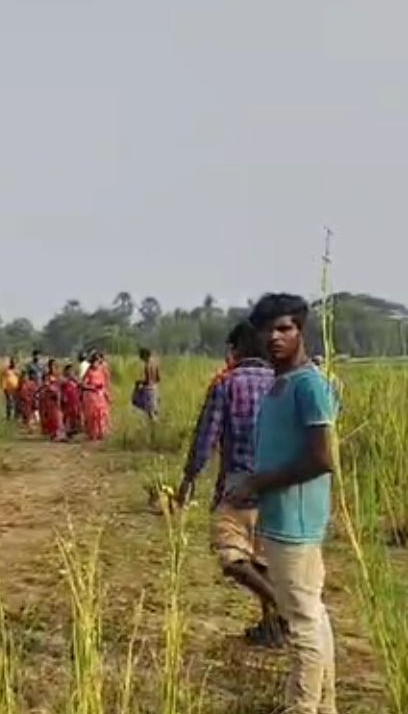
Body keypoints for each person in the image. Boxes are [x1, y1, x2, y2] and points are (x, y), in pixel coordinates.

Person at [225, 294, 337, 714]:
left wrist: (258, 481)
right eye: (266, 330)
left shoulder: (307, 384)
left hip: (296, 521)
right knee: (311, 614)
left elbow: (320, 458)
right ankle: (321, 706)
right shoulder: (281, 382)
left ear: (300, 331)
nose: (274, 337)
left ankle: (303, 707)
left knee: (302, 623)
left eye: (284, 328)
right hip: (279, 517)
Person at [178, 323, 280, 647]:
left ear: (237, 349)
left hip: (241, 481)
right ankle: (272, 628)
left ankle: (283, 608)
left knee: (231, 555)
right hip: (281, 483)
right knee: (263, 559)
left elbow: (206, 436)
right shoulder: (284, 382)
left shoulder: (227, 383)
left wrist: (189, 478)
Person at [81, 353, 111, 441]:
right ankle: (93, 434)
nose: (96, 364)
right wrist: (93, 387)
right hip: (92, 397)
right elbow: (83, 384)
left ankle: (102, 433)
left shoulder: (102, 370)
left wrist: (107, 395)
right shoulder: (89, 371)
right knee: (93, 416)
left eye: (98, 361)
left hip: (101, 396)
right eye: (95, 361)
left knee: (102, 415)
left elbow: (105, 384)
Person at [38, 363, 63, 441]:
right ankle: (52, 433)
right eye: (51, 366)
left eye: (54, 366)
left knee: (57, 416)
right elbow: (44, 386)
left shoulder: (58, 376)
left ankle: (57, 433)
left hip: (56, 398)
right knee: (51, 416)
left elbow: (60, 386)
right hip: (49, 399)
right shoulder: (47, 376)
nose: (53, 368)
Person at [134, 348, 161, 421]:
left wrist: (139, 382)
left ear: (145, 356)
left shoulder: (147, 365)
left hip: (148, 390)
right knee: (153, 411)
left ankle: (154, 428)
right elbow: (159, 378)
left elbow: (147, 381)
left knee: (150, 413)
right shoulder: (155, 363)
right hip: (155, 388)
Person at [60, 364, 82, 438]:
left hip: (75, 399)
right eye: (69, 370)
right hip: (67, 400)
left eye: (71, 370)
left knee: (75, 414)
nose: (70, 372)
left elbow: (80, 384)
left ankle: (74, 430)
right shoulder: (63, 379)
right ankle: (66, 431)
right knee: (67, 415)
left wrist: (74, 379)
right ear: (65, 371)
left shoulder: (74, 379)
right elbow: (60, 386)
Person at [0, 357, 21, 421]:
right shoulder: (6, 371)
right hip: (9, 390)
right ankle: (8, 418)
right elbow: (3, 381)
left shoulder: (17, 371)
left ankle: (16, 418)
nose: (13, 363)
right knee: (10, 404)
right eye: (12, 362)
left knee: (17, 405)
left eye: (15, 362)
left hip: (17, 390)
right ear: (10, 362)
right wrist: (5, 390)